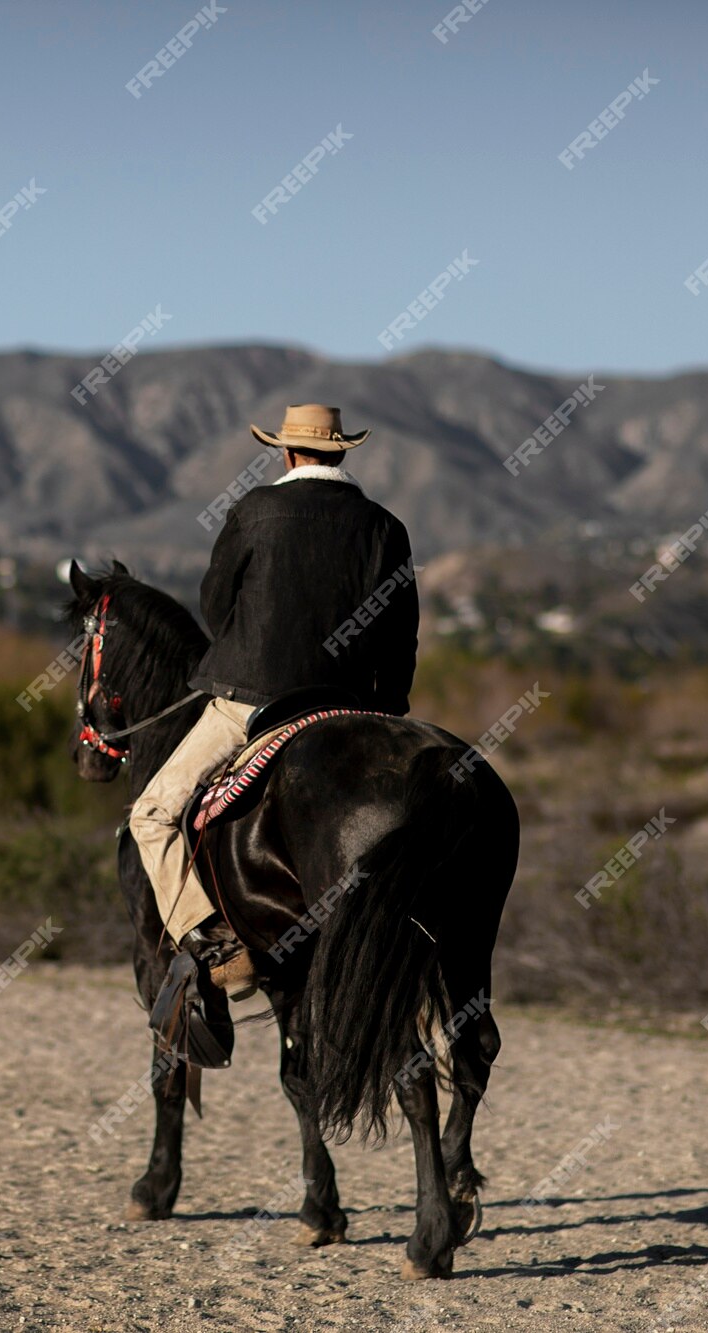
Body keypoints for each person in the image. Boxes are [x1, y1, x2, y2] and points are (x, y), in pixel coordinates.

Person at [133, 404, 418, 1065]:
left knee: (153, 814)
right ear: (341, 454)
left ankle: (215, 947)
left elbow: (214, 606)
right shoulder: (385, 526)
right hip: (350, 710)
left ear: (286, 454)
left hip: (250, 701)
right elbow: (402, 631)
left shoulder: (254, 511)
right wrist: (388, 710)